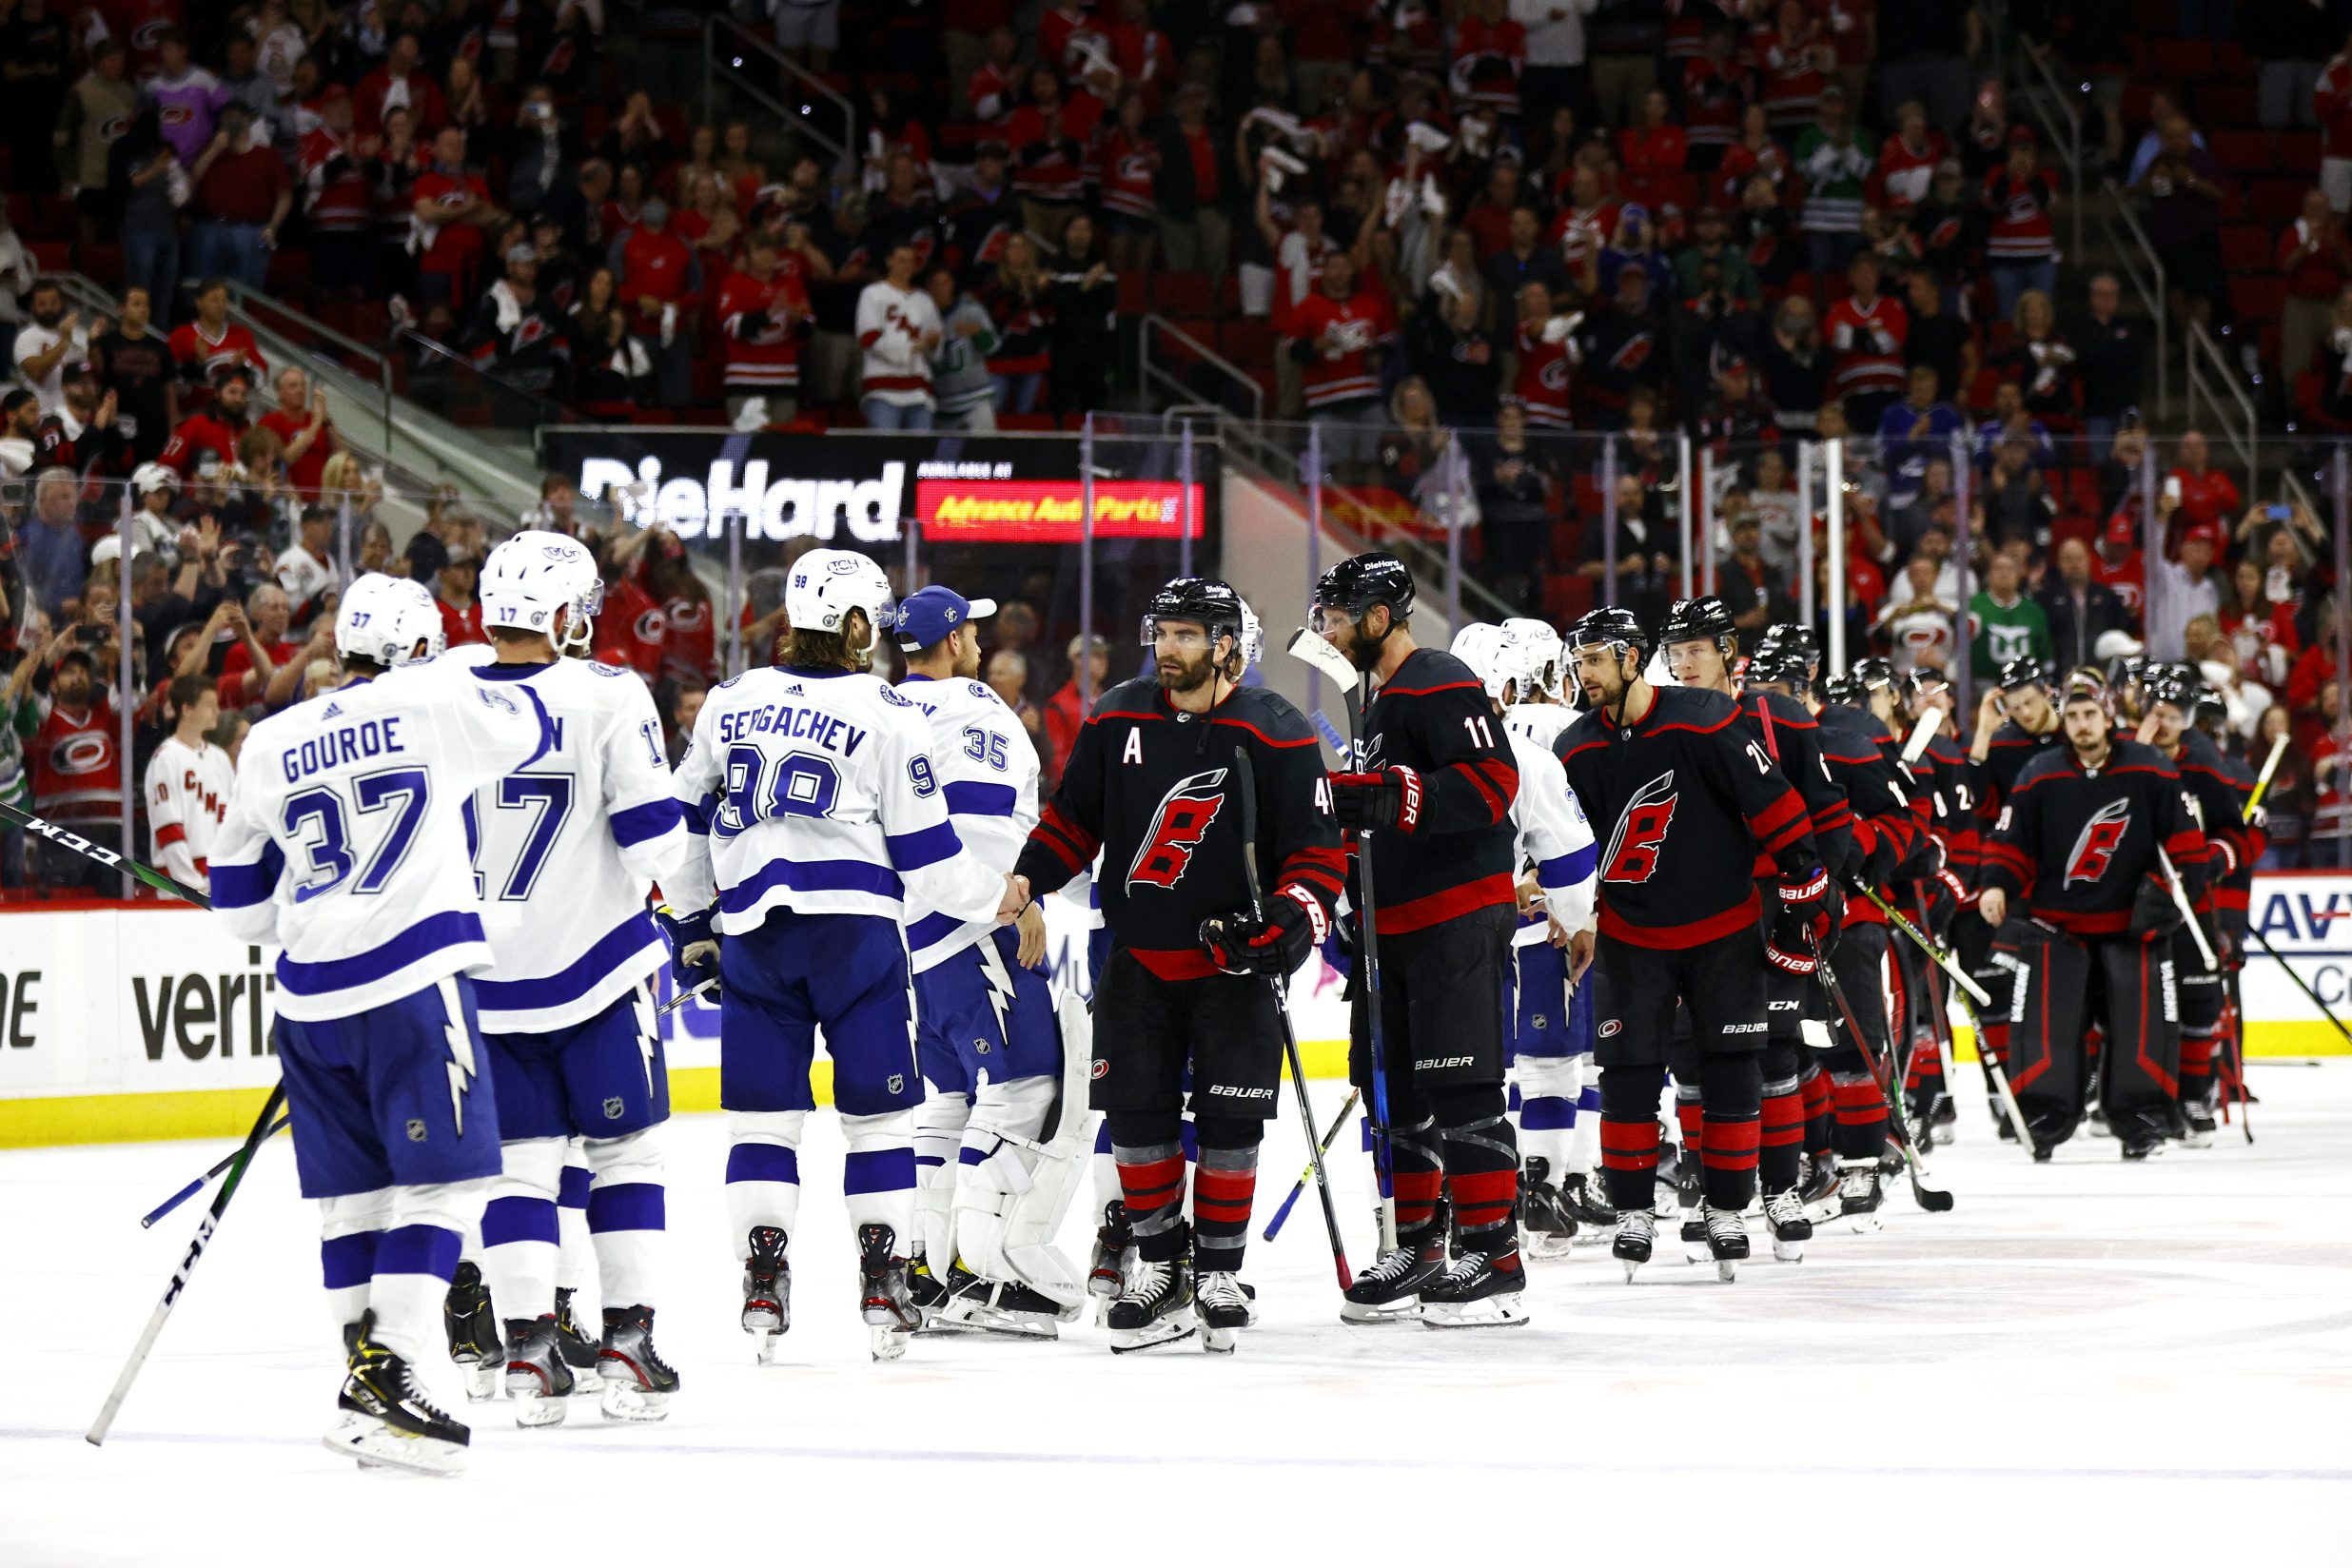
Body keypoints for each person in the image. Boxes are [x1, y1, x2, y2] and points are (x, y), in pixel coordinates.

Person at [206, 572, 554, 1475]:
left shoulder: (269, 740)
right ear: (419, 650)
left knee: (350, 1207)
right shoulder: (435, 700)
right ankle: (389, 1371)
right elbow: (529, 727)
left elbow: (240, 908)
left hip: (308, 1004)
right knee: (446, 1188)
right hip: (409, 984)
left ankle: (367, 1394)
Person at [663, 549, 1017, 1364]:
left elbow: (681, 820)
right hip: (855, 940)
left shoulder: (731, 700)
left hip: (754, 934)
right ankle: (884, 1281)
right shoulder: (890, 712)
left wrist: (689, 924)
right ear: (858, 624)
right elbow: (929, 858)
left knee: (761, 1123)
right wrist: (1000, 893)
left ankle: (762, 1280)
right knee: (879, 1121)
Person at [1002, 579, 1339, 1349]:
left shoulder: (1277, 726)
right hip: (1140, 959)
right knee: (1136, 1117)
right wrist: (1030, 877)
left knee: (1229, 1120)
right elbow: (1073, 818)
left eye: (1187, 636)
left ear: (1227, 646)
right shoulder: (1119, 712)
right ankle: (1159, 1266)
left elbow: (1318, 854)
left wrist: (1291, 919)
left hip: (1234, 967)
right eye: (1163, 633)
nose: (1167, 649)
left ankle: (1218, 1269)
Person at [433, 532, 687, 1425]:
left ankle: (530, 1357)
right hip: (597, 972)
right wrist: (702, 902)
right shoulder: (608, 693)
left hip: (483, 979)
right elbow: (655, 839)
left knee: (519, 1172)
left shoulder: (438, 693)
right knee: (627, 1158)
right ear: (559, 614)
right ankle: (627, 1344)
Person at [1555, 606, 1831, 1280]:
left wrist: (1805, 884)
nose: (1584, 673)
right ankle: (1633, 1212)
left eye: (1596, 659)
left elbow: (1774, 801)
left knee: (1735, 1065)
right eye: (1579, 660)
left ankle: (1729, 1208)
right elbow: (1562, 843)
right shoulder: (1574, 748)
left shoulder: (1704, 719)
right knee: (1627, 1073)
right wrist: (1561, 903)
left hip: (1723, 930)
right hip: (1631, 934)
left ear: (1630, 657)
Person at [1307, 553, 1531, 1324]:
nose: (1329, 632)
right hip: (1391, 927)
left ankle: (1494, 1256)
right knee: (1394, 1095)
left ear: (1378, 618)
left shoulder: (1438, 678)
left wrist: (1386, 794)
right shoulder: (1378, 698)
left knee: (1462, 1087)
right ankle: (1420, 1243)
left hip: (1454, 918)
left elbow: (1493, 784)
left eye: (1338, 617)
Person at [892, 585, 1088, 1336]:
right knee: (1024, 1093)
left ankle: (924, 1268)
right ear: (952, 640)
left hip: (907, 944)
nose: (977, 635)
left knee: (943, 1107)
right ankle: (984, 1273)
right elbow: (982, 823)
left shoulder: (884, 707)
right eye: (969, 626)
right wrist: (1019, 895)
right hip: (975, 930)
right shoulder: (972, 709)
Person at [1656, 601, 1855, 1261]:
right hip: (1686, 908)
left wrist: (1820, 896)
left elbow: (1829, 815)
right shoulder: (1653, 720)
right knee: (1690, 1055)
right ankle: (1710, 1191)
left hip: (1769, 902)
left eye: (1696, 649)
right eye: (1675, 650)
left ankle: (1778, 1187)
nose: (1684, 663)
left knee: (1772, 1050)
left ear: (1727, 652)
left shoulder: (1783, 719)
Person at [1977, 677, 2206, 1158]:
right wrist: (1998, 882)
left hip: (2131, 930)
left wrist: (2173, 888)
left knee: (2139, 1036)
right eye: (2074, 717)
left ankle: (2140, 1120)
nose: (2082, 726)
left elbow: (2187, 845)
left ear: (2107, 717)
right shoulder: (2039, 773)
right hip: (2059, 930)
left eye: (2090, 716)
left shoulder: (2151, 769)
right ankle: (2045, 1118)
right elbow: (2013, 838)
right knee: (2049, 1034)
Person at [1445, 622, 1597, 1256]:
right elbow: (1580, 837)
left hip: (1452, 935)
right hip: (1545, 927)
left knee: (1472, 1074)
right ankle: (1555, 1182)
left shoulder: (1424, 737)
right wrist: (1577, 907)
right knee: (1562, 1065)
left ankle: (1448, 1204)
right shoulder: (1568, 733)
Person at [2136, 671, 2253, 1147]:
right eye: (2156, 713)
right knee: (2135, 1005)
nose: (2163, 723)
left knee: (2200, 996)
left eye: (2173, 715)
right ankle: (2139, 1099)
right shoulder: (2121, 758)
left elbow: (2235, 836)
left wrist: (2213, 861)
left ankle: (2194, 1094)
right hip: (2132, 902)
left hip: (2191, 902)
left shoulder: (2203, 767)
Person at [145, 674, 232, 892]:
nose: (217, 711)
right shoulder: (166, 758)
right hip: (179, 888)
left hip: (220, 879)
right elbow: (167, 827)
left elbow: (233, 822)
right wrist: (190, 884)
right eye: (209, 705)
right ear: (187, 709)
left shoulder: (219, 758)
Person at [715, 232, 810, 430]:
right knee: (743, 443)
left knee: (781, 449)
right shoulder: (734, 283)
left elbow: (808, 329)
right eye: (760, 250)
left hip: (784, 380)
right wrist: (769, 314)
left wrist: (796, 319)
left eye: (771, 249)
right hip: (744, 380)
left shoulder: (791, 284)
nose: (767, 255)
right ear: (747, 256)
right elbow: (732, 327)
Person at [854, 241, 941, 431]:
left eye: (911, 261)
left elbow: (936, 343)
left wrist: (934, 344)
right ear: (889, 262)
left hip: (919, 390)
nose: (907, 266)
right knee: (884, 452)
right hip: (882, 388)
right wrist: (911, 347)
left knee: (919, 454)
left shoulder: (924, 300)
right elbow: (868, 337)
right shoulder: (873, 294)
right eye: (902, 260)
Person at [1969, 551, 2054, 678]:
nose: (2004, 574)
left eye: (2010, 569)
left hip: (2025, 683)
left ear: (2019, 575)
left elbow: (2045, 654)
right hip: (1984, 683)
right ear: (1989, 574)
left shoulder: (2034, 611)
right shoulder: (1974, 605)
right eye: (1998, 568)